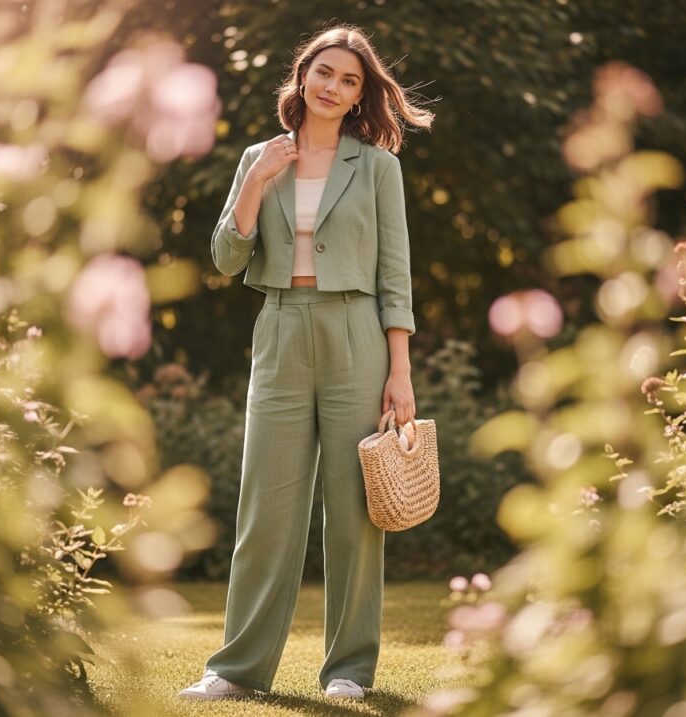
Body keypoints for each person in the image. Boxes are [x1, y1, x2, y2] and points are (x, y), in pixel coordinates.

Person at [179, 24, 434, 702]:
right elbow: (225, 258)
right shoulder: (259, 158)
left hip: (358, 333)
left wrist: (400, 371)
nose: (334, 87)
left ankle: (349, 669)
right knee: (266, 505)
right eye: (325, 72)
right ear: (303, 75)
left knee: (354, 508)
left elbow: (395, 276)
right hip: (281, 328)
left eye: (350, 80)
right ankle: (237, 669)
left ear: (359, 96)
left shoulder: (377, 167)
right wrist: (258, 179)